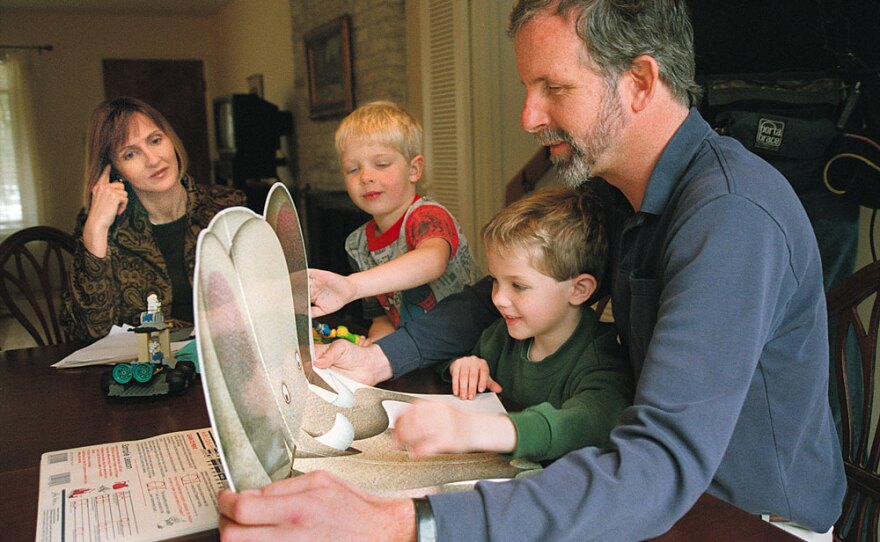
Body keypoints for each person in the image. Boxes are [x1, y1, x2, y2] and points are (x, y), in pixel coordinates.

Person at [218, 1, 846, 541]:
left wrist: (404, 523)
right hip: (664, 498)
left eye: (554, 88)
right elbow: (494, 294)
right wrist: (380, 361)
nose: (528, 116)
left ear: (639, 82)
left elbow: (660, 463)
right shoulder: (620, 191)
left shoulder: (729, 216)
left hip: (749, 522)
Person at [394, 186, 633, 462]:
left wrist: (470, 430)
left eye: (518, 286)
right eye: (495, 280)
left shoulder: (602, 358)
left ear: (579, 289)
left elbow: (587, 423)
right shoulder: (501, 336)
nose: (498, 299)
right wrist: (463, 365)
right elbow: (450, 362)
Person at [61, 97, 245, 341]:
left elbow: (261, 299)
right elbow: (88, 333)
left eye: (155, 140)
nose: (153, 159)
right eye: (130, 154)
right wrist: (95, 230)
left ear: (170, 140)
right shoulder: (105, 227)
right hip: (145, 371)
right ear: (114, 170)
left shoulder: (227, 206)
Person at [309, 100, 481, 342]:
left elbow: (432, 260)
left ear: (413, 169)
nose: (366, 177)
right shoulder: (358, 245)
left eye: (381, 164)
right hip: (418, 354)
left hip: (472, 350)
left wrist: (352, 286)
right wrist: (373, 351)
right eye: (352, 169)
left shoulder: (427, 216)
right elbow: (384, 320)